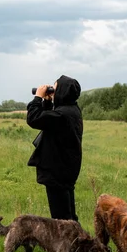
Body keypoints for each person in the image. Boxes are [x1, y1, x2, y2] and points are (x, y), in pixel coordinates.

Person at [26, 75, 83, 221]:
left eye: (55, 88)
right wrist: (47, 101)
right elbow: (48, 121)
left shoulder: (62, 114)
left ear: (63, 91)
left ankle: (68, 243)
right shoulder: (72, 110)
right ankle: (78, 242)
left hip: (58, 171)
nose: (52, 90)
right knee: (69, 216)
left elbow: (33, 118)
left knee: (61, 219)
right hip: (65, 169)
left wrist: (38, 97)